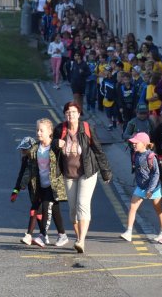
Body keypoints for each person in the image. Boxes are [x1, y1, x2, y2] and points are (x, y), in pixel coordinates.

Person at [55, 102, 113, 254]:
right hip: (69, 174)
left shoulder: (87, 128)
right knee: (73, 210)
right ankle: (78, 237)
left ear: (79, 114)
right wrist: (56, 143)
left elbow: (98, 150)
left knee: (82, 204)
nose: (70, 115)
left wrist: (105, 171)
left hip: (87, 173)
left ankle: (81, 240)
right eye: (68, 112)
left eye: (73, 112)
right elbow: (50, 147)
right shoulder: (59, 129)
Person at [28, 118, 69, 248]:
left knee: (46, 207)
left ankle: (42, 235)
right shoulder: (35, 148)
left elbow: (61, 145)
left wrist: (59, 143)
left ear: (50, 131)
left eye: (41, 130)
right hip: (41, 185)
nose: (38, 133)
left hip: (54, 185)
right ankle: (62, 235)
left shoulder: (54, 146)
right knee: (55, 210)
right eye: (37, 130)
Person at [120, 132, 162, 243]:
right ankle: (129, 232)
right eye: (133, 143)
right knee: (132, 207)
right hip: (141, 187)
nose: (134, 145)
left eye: (136, 143)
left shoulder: (151, 156)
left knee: (158, 209)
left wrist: (150, 189)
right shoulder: (135, 154)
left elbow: (156, 174)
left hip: (153, 188)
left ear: (144, 144)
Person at [10, 136, 41, 245]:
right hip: (31, 188)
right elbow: (21, 174)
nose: (22, 151)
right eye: (22, 149)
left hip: (42, 186)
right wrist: (15, 191)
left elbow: (28, 174)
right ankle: (43, 235)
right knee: (38, 211)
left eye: (24, 149)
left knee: (36, 209)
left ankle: (30, 235)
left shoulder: (38, 156)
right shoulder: (25, 158)